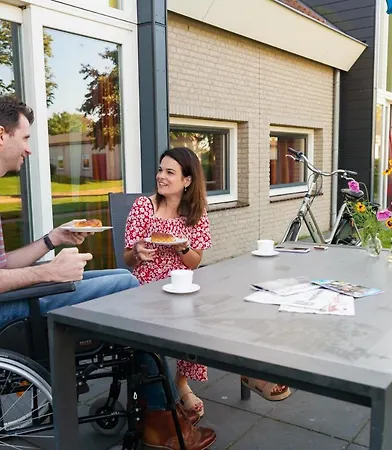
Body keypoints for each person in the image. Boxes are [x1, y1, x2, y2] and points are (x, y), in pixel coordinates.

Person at [0, 95, 215, 450]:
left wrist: (52, 239)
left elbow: (4, 265)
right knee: (129, 286)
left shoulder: (195, 214)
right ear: (2, 135)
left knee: (123, 284)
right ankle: (160, 417)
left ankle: (161, 406)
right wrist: (50, 272)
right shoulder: (145, 207)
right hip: (12, 309)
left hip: (17, 294)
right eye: (25, 138)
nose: (30, 149)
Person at [124, 147, 290, 416]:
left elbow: (194, 262)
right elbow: (128, 259)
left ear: (187, 180)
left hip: (184, 284)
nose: (161, 176)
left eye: (170, 172)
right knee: (197, 319)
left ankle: (200, 378)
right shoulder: (144, 207)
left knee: (225, 308)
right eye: (160, 170)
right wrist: (137, 252)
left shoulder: (196, 212)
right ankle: (235, 374)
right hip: (147, 287)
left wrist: (182, 247)